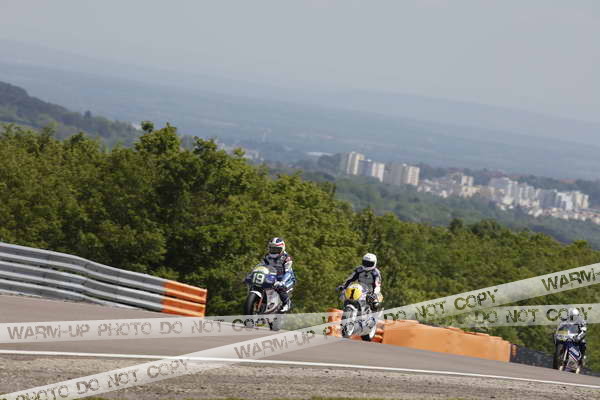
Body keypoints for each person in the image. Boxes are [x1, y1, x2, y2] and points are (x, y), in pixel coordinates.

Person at [259, 237, 296, 312]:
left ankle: (287, 303)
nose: (274, 251)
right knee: (259, 285)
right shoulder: (267, 256)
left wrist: (282, 282)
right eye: (272, 249)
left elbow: (288, 272)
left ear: (282, 248)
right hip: (272, 277)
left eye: (276, 249)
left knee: (279, 287)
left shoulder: (286, 258)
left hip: (287, 279)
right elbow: (261, 266)